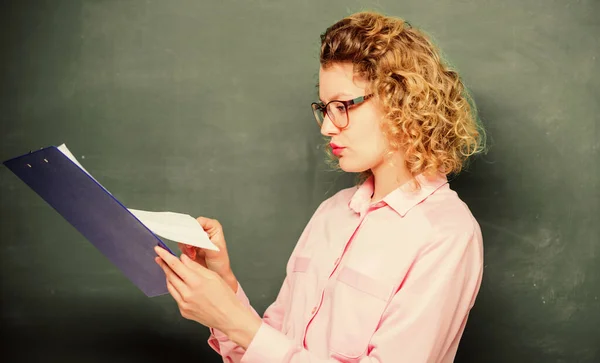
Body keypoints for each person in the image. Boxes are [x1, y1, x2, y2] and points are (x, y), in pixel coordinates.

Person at [154, 10, 486, 363]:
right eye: (325, 108)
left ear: (399, 101)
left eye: (342, 106)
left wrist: (234, 323)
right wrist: (224, 287)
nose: (327, 127)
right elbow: (269, 350)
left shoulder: (447, 235)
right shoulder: (332, 213)